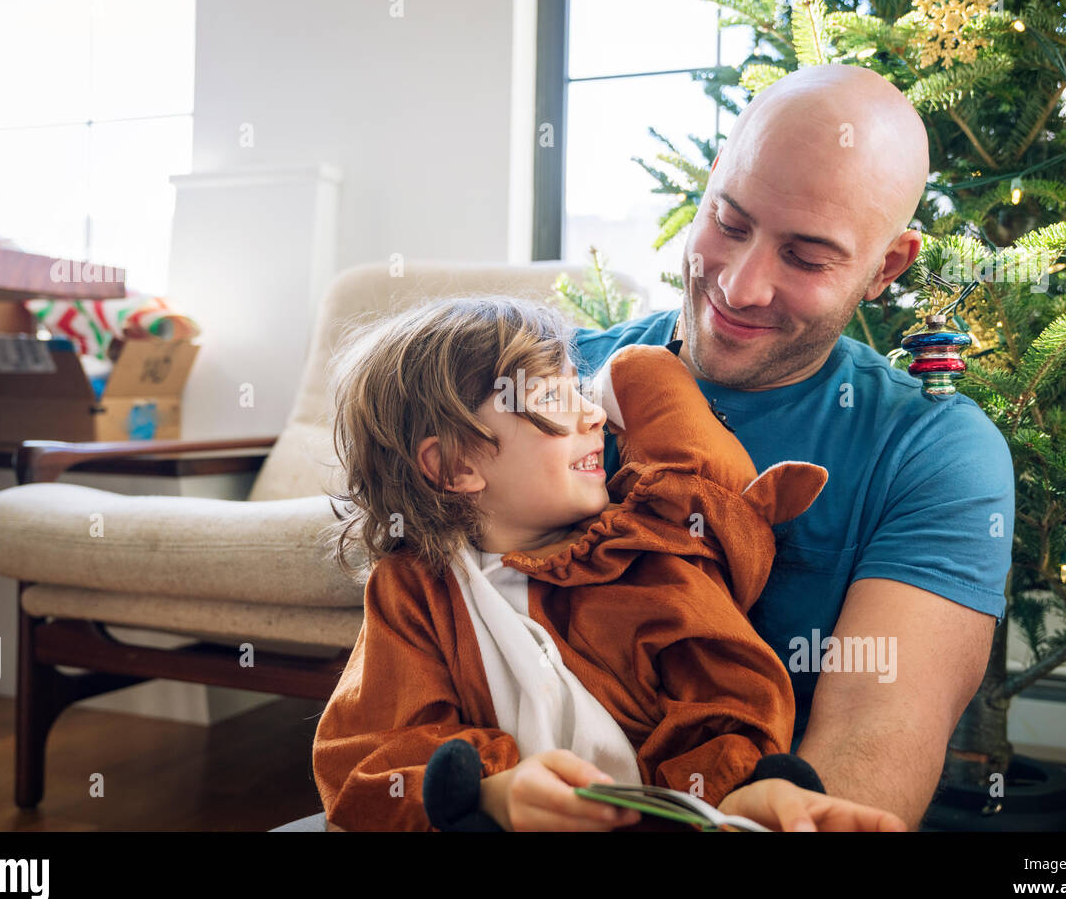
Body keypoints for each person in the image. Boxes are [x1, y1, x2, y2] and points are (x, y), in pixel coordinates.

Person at [571, 64, 1016, 830]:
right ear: (710, 184)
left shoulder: (934, 453)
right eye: (730, 223)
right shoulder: (555, 377)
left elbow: (870, 746)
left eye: (808, 258)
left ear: (887, 267)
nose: (740, 287)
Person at [312, 295, 906, 832]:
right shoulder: (415, 589)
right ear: (452, 468)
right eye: (550, 397)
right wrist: (488, 795)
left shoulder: (643, 558)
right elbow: (370, 752)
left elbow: (722, 701)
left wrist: (742, 795)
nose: (594, 415)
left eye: (581, 390)